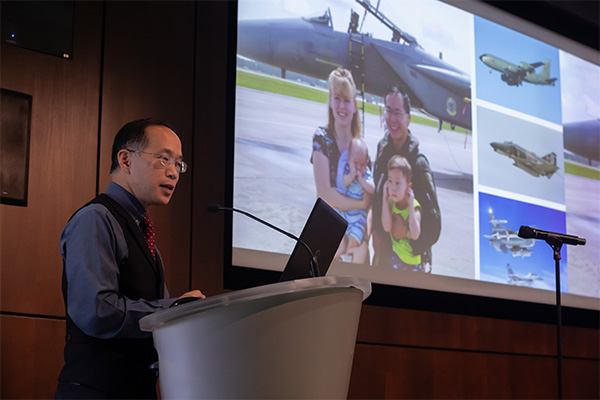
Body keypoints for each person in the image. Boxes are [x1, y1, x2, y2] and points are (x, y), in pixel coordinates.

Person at [55, 118, 205, 399]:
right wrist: (176, 308)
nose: (173, 172)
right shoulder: (96, 219)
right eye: (164, 159)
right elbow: (96, 312)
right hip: (97, 391)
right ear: (125, 160)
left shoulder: (141, 231)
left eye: (178, 164)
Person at [371, 86, 441, 271]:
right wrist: (375, 231)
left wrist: (408, 234)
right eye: (388, 111)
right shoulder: (382, 149)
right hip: (384, 255)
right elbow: (378, 196)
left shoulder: (418, 165)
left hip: (409, 263)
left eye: (397, 113)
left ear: (408, 118)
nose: (392, 119)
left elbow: (434, 224)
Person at [311, 68, 371, 264]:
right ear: (330, 100)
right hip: (329, 232)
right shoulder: (322, 139)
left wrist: (364, 230)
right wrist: (360, 204)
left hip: (356, 232)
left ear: (354, 106)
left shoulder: (360, 148)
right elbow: (325, 195)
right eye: (337, 98)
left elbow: (369, 197)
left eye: (347, 100)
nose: (342, 106)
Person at [335, 137, 375, 261]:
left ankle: (348, 255)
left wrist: (362, 180)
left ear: (367, 162)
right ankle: (340, 251)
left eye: (362, 164)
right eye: (355, 164)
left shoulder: (366, 174)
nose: (358, 168)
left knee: (354, 240)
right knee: (336, 233)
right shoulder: (347, 170)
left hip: (358, 218)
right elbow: (343, 183)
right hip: (345, 213)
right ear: (349, 160)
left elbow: (372, 188)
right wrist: (351, 176)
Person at [381, 155, 422, 271]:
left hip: (412, 263)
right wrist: (385, 198)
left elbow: (415, 234)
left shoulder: (414, 206)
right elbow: (387, 227)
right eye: (390, 181)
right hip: (396, 257)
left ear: (408, 186)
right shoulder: (391, 202)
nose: (393, 187)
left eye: (398, 183)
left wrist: (410, 205)